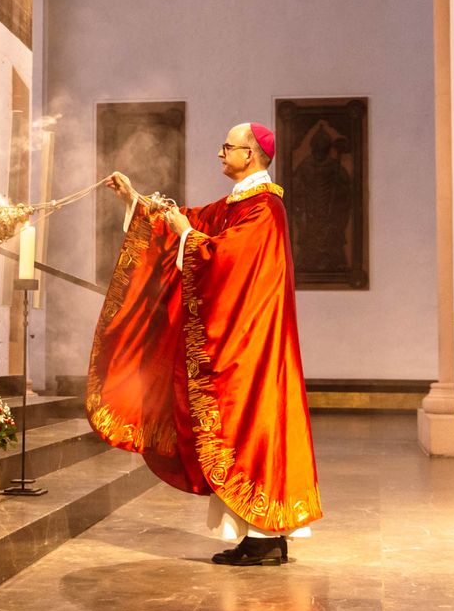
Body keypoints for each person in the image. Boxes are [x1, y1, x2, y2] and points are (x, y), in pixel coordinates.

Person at [87, 121, 321, 567]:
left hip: (252, 344)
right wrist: (136, 201)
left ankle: (264, 539)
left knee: (248, 425)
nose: (220, 153)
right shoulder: (241, 202)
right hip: (246, 340)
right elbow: (197, 221)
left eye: (227, 147)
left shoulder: (265, 207)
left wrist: (187, 237)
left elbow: (225, 257)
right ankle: (261, 536)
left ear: (250, 155)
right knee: (240, 428)